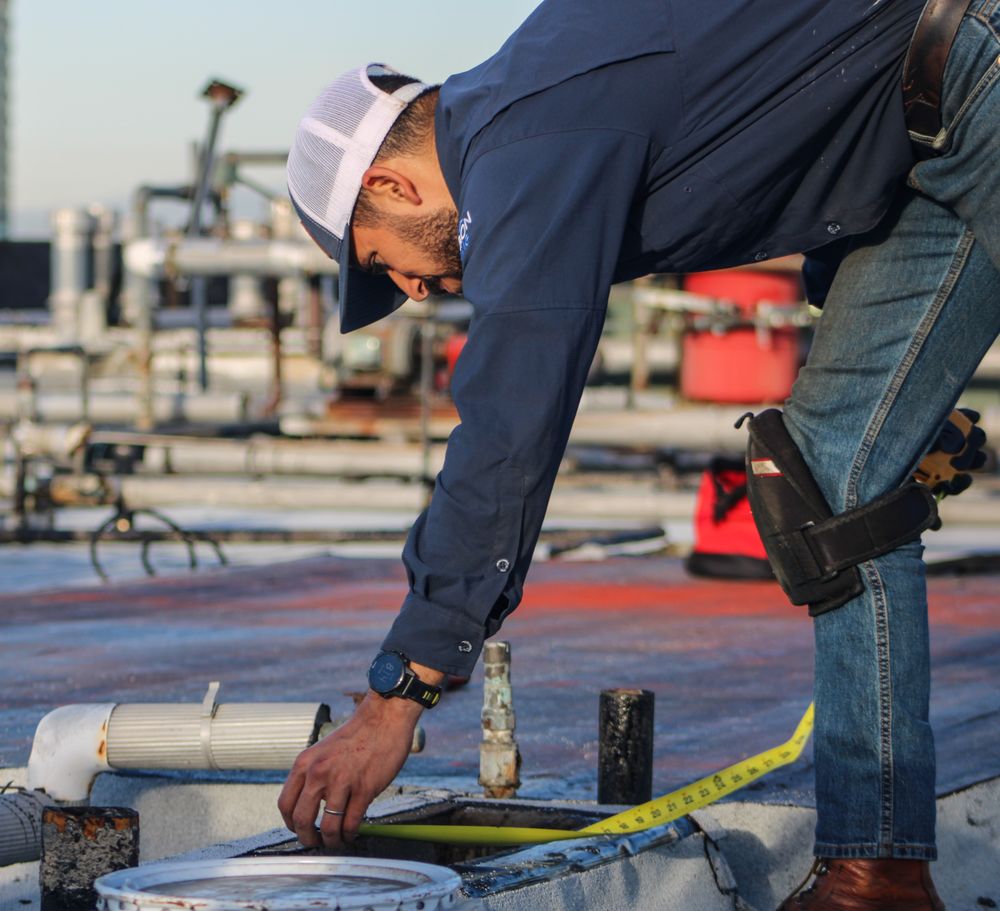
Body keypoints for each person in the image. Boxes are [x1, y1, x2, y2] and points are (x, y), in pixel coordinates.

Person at [277, 0, 1000, 906]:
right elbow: (798, 111)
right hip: (921, 137)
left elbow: (511, 425)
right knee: (833, 480)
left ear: (393, 184)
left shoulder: (524, 145)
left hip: (976, 70)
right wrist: (904, 392)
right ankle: (877, 871)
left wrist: (399, 695)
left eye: (383, 264)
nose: (413, 291)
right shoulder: (533, 112)